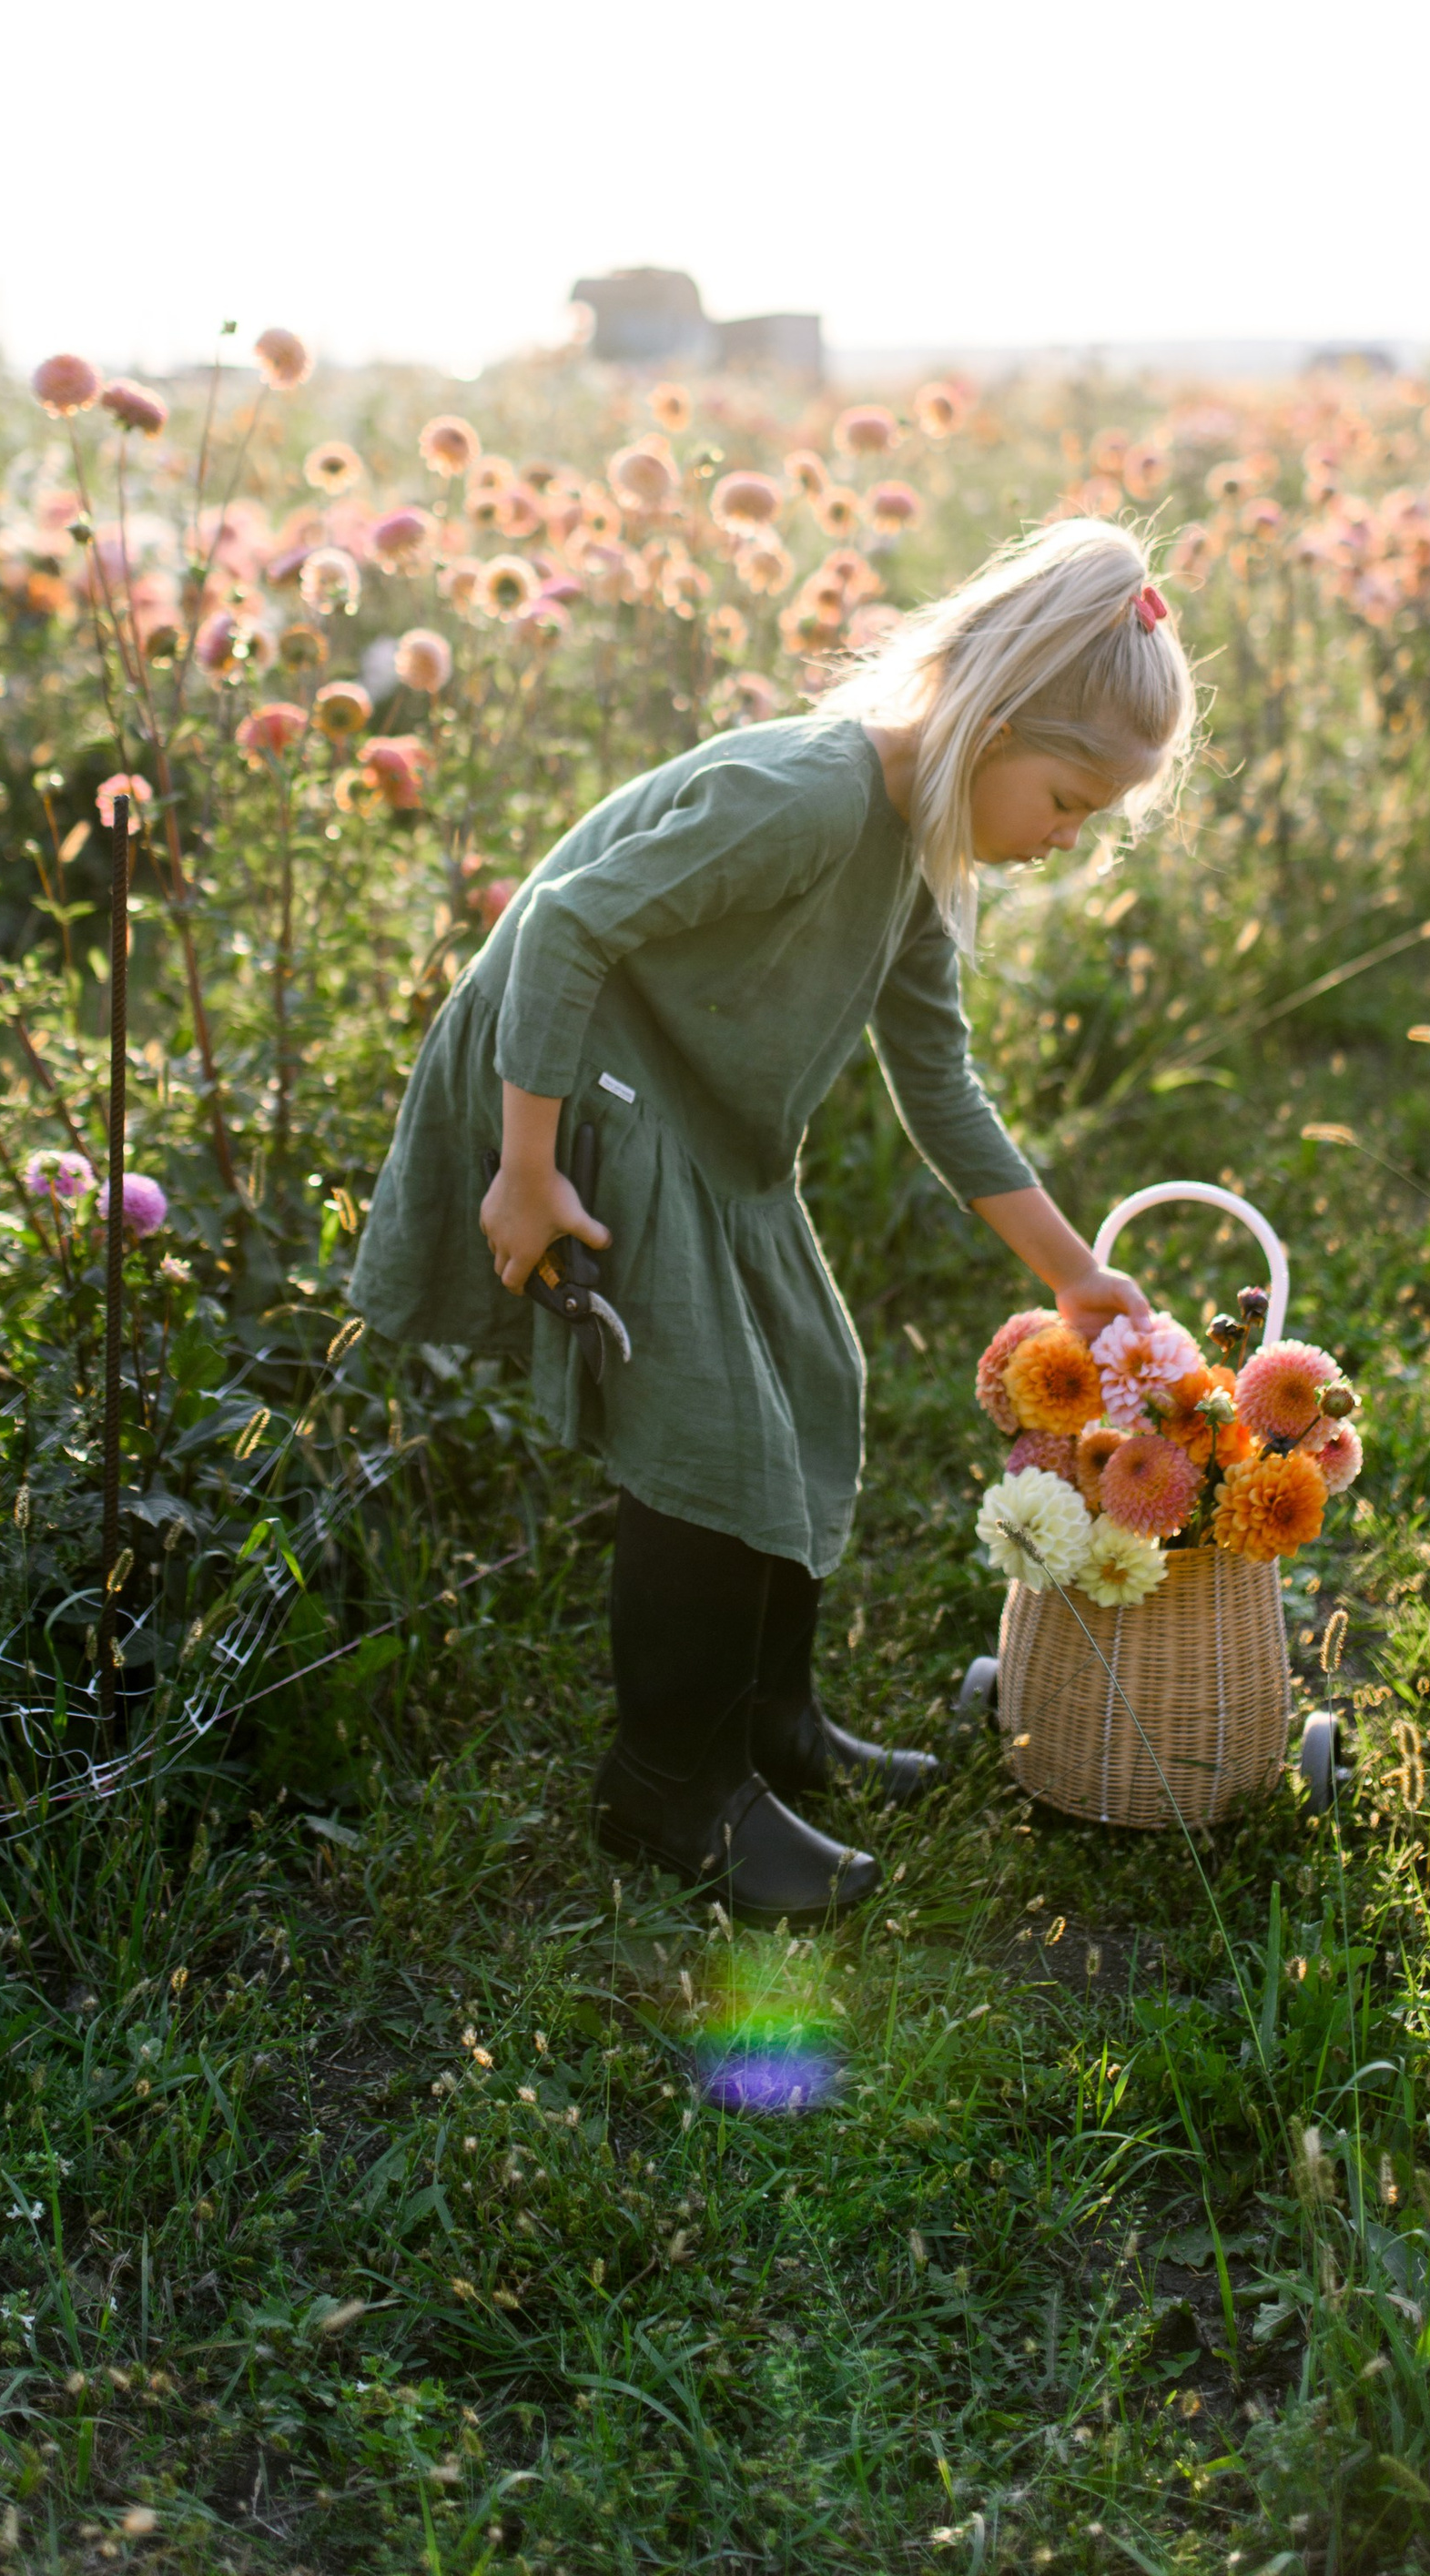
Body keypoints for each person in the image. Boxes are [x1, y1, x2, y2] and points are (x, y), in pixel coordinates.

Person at [348, 512, 1196, 1922]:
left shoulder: (922, 853)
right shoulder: (811, 796)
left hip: (707, 1124)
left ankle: (771, 1724)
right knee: (711, 1432)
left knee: (810, 1377)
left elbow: (939, 1084)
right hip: (578, 1087)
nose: (1066, 841)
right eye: (1066, 801)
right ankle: (668, 1787)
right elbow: (560, 925)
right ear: (993, 723)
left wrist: (1072, 1275)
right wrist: (525, 1168)